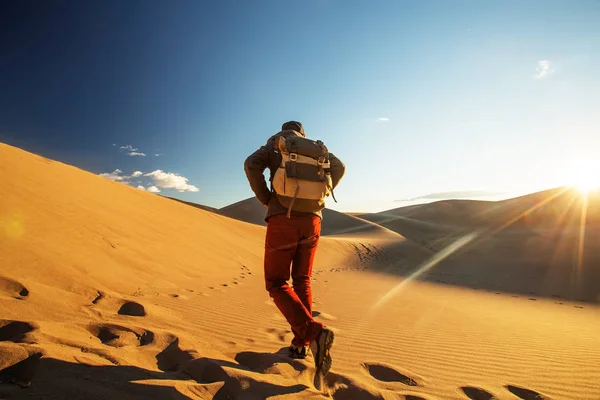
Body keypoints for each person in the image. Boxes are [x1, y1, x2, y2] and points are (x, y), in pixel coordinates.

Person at [244, 121, 345, 387]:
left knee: (277, 282)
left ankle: (313, 333)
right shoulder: (316, 148)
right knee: (302, 280)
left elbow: (250, 164)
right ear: (303, 132)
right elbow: (340, 167)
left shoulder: (274, 144)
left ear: (284, 130)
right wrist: (320, 196)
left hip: (283, 218)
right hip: (313, 220)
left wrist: (267, 199)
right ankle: (300, 344)